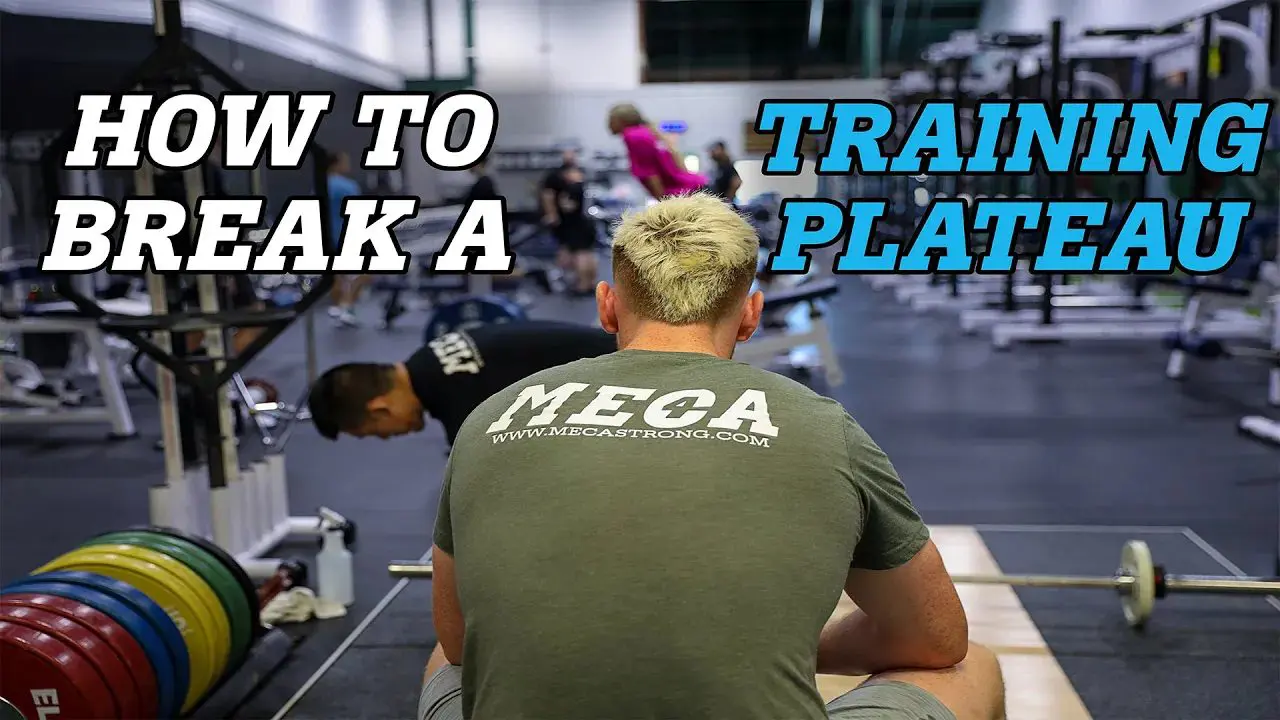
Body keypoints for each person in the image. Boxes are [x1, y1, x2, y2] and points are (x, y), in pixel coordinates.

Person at [419, 192, 1006, 720]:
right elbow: (935, 637)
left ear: (607, 306)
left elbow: (458, 638)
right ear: (750, 314)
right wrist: (773, 641)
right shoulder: (824, 425)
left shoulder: (491, 416)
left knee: (440, 666)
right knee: (968, 665)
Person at [306, 320, 618, 446]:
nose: (386, 439)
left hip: (637, 378)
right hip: (626, 351)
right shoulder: (430, 359)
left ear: (380, 408)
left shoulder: (461, 409)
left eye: (374, 434)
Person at [607, 103, 707, 200]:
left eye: (611, 119)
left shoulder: (634, 136)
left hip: (683, 194)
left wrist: (663, 203)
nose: (608, 124)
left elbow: (650, 173)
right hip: (690, 188)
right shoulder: (645, 131)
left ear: (622, 120)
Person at [540, 149, 598, 297]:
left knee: (580, 254)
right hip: (585, 224)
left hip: (577, 225)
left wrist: (560, 206)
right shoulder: (581, 185)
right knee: (586, 253)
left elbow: (568, 205)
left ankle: (583, 286)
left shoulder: (574, 187)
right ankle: (589, 284)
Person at [325, 151, 369, 327]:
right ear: (336, 164)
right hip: (346, 236)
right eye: (345, 161)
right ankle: (346, 305)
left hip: (327, 238)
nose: (347, 165)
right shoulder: (347, 186)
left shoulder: (319, 186)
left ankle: (341, 307)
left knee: (339, 276)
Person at [707, 139, 743, 205]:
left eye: (715, 150)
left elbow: (737, 182)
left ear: (722, 150)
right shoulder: (718, 167)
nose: (712, 153)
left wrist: (728, 199)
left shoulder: (727, 166)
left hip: (725, 203)